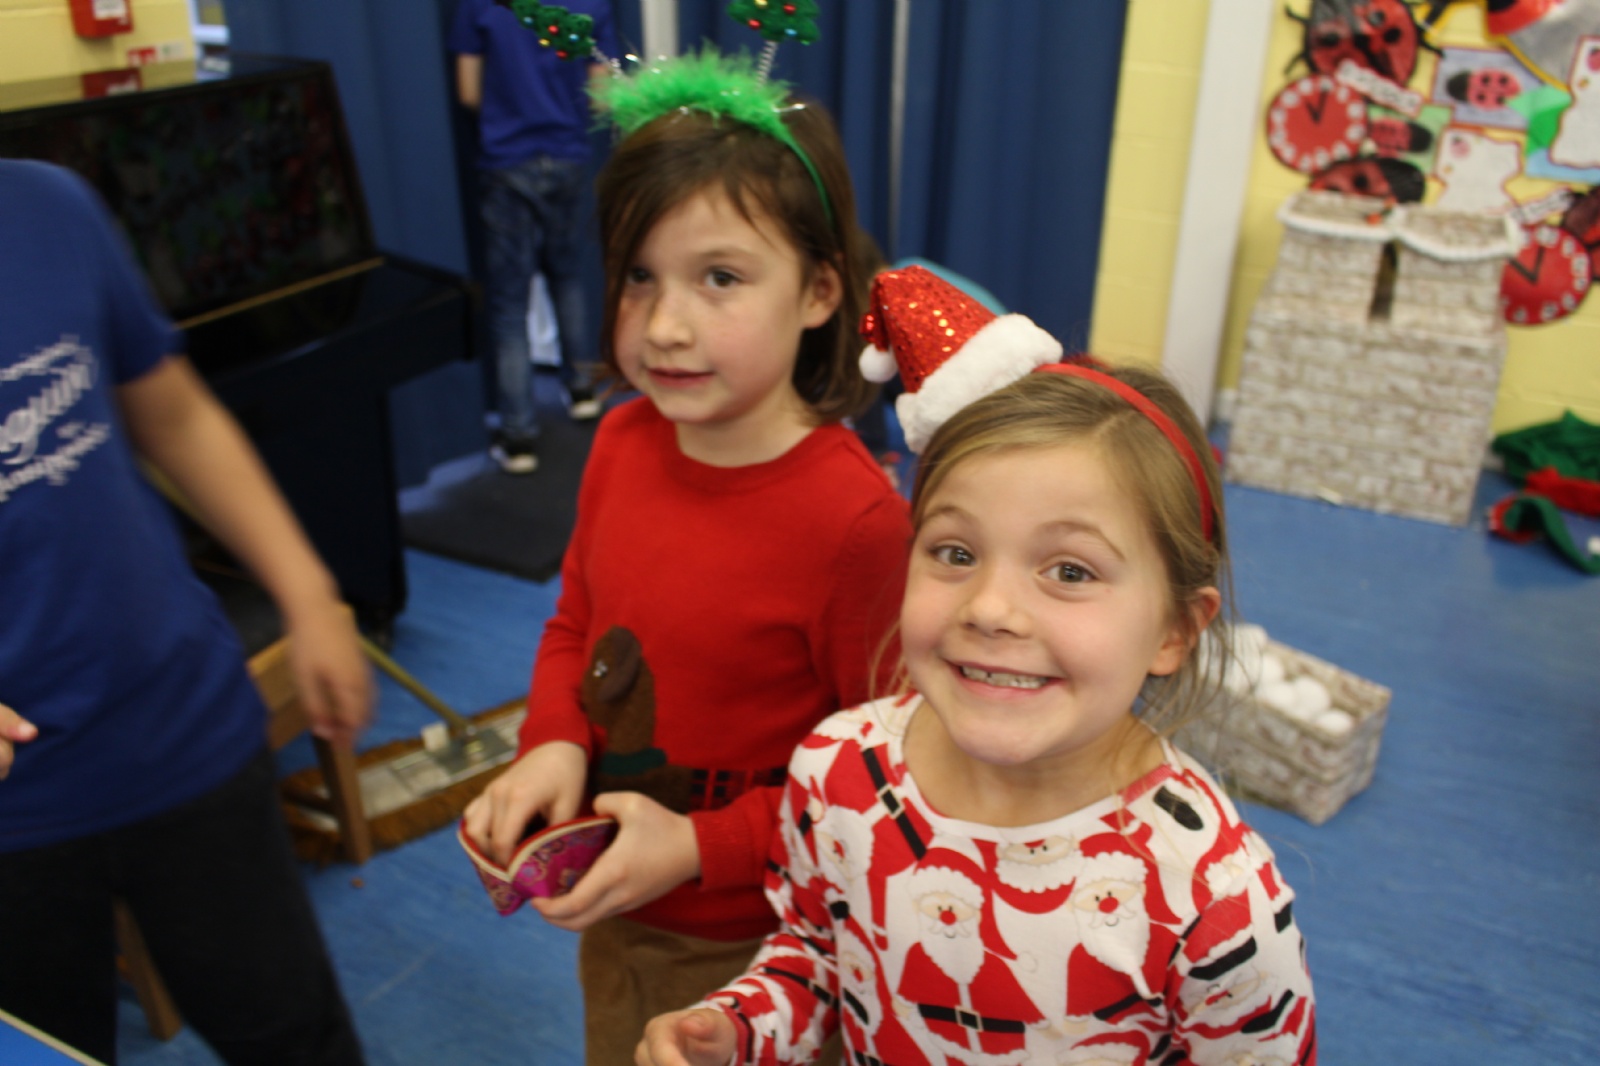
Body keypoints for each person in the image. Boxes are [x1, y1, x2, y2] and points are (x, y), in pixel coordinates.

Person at [636, 359, 1319, 1064]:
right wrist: (741, 1030)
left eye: (1070, 571)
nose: (989, 608)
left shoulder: (1216, 898)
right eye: (955, 553)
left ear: (1174, 630)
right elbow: (818, 953)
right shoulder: (839, 770)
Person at [461, 52, 912, 1066]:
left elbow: (890, 784)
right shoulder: (621, 442)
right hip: (620, 911)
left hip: (770, 955)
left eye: (720, 278)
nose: (664, 326)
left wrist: (703, 847)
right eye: (640, 276)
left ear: (819, 290)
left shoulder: (855, 527)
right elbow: (579, 624)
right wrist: (552, 742)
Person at [0, 158, 374, 1065]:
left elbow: (175, 416)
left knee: (298, 1036)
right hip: (15, 815)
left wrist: (308, 594)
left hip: (184, 729)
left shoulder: (47, 202)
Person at [448, 0, 619, 474]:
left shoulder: (479, 6)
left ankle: (518, 434)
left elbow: (468, 91)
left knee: (509, 303)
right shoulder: (591, 4)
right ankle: (582, 390)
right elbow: (601, 96)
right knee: (567, 276)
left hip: (507, 161)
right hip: (567, 156)